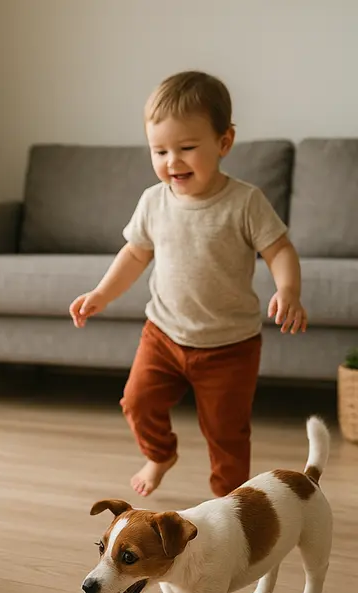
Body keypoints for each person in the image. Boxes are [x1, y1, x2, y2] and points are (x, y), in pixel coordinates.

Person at [70, 71, 307, 498]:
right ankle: (160, 454)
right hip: (163, 333)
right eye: (159, 150)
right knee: (137, 401)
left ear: (224, 142)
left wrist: (288, 290)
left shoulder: (245, 201)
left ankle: (230, 505)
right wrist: (101, 293)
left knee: (226, 432)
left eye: (187, 148)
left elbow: (280, 250)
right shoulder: (153, 201)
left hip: (230, 345)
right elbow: (135, 254)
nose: (172, 162)